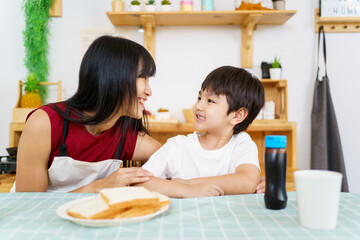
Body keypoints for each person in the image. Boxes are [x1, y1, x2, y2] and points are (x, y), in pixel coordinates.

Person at [14, 35, 265, 196]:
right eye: (142, 78)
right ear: (113, 78)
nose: (149, 90)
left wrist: (247, 180)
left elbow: (184, 167)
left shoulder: (130, 137)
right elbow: (29, 207)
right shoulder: (46, 123)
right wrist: (97, 188)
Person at [137, 66, 265, 197]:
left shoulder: (242, 144)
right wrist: (185, 189)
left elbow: (247, 182)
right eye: (199, 98)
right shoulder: (178, 146)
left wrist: (189, 183)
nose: (198, 106)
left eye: (210, 101)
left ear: (237, 115)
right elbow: (140, 183)